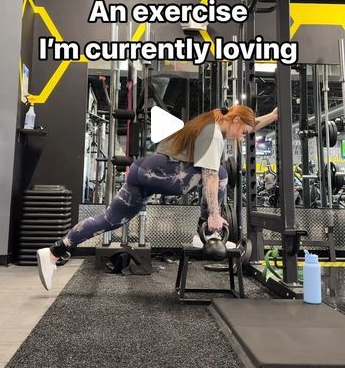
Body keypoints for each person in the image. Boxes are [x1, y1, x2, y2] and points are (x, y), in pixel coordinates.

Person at [37, 104, 278, 290]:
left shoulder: (218, 121)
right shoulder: (214, 134)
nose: (241, 137)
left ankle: (54, 252)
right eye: (242, 132)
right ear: (235, 120)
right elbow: (211, 175)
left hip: (144, 172)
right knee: (220, 174)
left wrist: (273, 116)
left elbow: (250, 122)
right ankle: (205, 233)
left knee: (110, 220)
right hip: (160, 173)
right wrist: (214, 216)